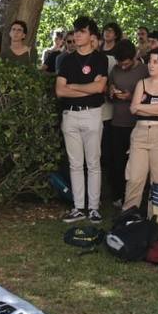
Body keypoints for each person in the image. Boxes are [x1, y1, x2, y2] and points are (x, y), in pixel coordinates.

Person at [56, 16, 109, 223]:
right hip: (70, 115)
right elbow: (60, 91)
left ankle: (94, 207)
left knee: (93, 163)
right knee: (75, 164)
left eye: (82, 31)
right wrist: (87, 89)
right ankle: (78, 207)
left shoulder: (100, 59)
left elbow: (99, 89)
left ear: (92, 36)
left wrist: (73, 86)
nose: (77, 35)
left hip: (92, 113)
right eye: (75, 31)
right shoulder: (66, 59)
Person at [124, 48, 158, 210]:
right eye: (149, 61)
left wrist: (146, 108)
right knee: (134, 178)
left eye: (155, 62)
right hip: (140, 134)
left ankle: (155, 220)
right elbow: (133, 108)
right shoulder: (141, 83)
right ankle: (129, 217)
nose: (151, 65)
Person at [105, 40, 144, 204]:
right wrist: (112, 92)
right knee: (117, 163)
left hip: (136, 123)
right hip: (117, 123)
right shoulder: (115, 70)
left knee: (135, 164)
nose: (122, 66)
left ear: (133, 57)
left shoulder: (143, 71)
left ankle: (135, 197)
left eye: (125, 63)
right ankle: (119, 196)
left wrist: (131, 97)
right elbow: (108, 92)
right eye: (120, 63)